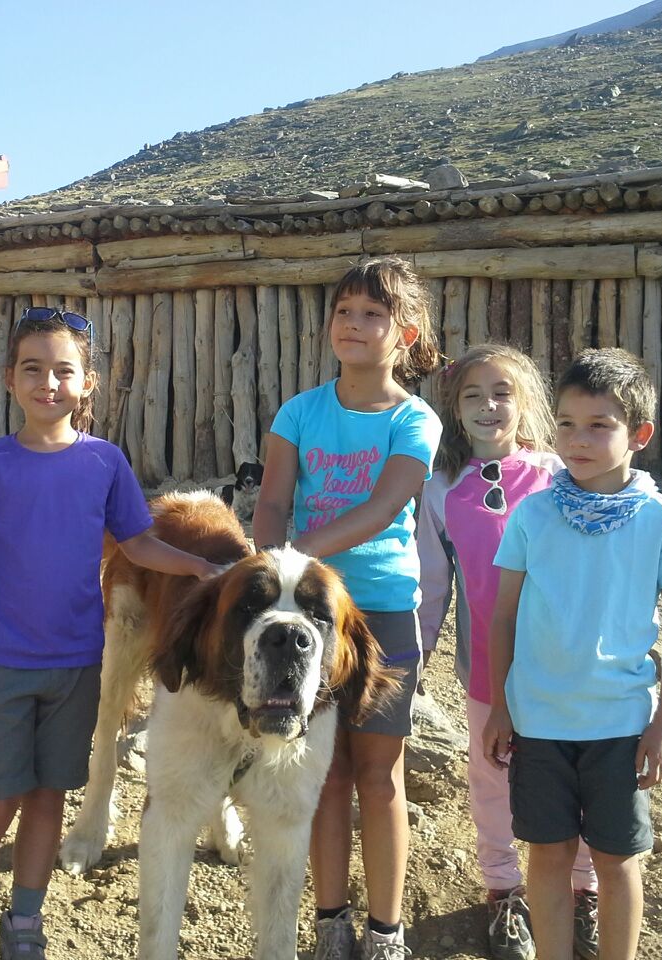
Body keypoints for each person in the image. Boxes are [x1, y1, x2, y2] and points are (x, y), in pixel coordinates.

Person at [0, 306, 223, 960]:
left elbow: (139, 543)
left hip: (74, 668)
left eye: (64, 371)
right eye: (32, 369)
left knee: (46, 799)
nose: (48, 383)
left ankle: (25, 926)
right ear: (9, 378)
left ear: (88, 383)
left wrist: (202, 566)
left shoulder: (105, 463)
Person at [483, 348, 662, 960]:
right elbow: (502, 616)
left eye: (599, 426)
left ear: (639, 435)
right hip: (539, 722)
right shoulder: (533, 513)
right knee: (549, 856)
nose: (577, 440)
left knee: (616, 860)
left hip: (620, 725)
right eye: (566, 424)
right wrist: (503, 707)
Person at [253, 256, 443, 960]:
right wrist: (274, 570)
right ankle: (330, 921)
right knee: (324, 773)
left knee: (379, 772)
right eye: (344, 312)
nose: (354, 325)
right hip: (306, 616)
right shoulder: (300, 413)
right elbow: (271, 500)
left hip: (383, 611)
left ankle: (385, 930)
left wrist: (298, 557)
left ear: (407, 333)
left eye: (373, 314)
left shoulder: (415, 419)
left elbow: (382, 508)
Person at [418, 343, 598, 960]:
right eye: (472, 395)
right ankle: (504, 893)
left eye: (502, 393)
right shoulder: (441, 489)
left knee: (574, 777)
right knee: (492, 781)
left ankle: (584, 893)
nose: (489, 406)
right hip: (486, 672)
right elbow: (434, 582)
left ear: (526, 405)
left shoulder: (558, 474)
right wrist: (416, 658)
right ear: (454, 409)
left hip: (564, 669)